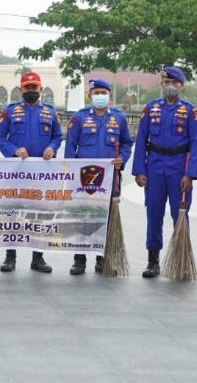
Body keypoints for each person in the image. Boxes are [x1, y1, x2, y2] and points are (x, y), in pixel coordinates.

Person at [131, 66, 197, 278]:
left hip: (179, 166)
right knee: (153, 213)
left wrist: (190, 174)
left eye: (174, 82)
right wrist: (139, 170)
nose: (169, 86)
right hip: (154, 166)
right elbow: (141, 140)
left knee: (179, 214)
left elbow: (196, 144)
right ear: (161, 84)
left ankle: (181, 259)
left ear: (181, 85)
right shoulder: (151, 109)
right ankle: (153, 260)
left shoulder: (190, 111)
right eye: (166, 82)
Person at [0, 72, 61, 273]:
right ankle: (10, 257)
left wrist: (52, 147)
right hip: (17, 171)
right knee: (13, 212)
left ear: (41, 89)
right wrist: (13, 150)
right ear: (21, 89)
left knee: (39, 213)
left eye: (34, 87)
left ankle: (38, 257)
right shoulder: (10, 111)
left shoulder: (50, 112)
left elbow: (58, 137)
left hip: (42, 172)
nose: (31, 91)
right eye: (27, 87)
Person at [65, 78, 133, 275]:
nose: (100, 96)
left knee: (107, 218)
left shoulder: (119, 118)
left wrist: (122, 158)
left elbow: (127, 143)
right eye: (97, 93)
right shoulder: (79, 117)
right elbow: (70, 146)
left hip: (109, 176)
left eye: (104, 93)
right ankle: (79, 259)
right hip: (83, 178)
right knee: (83, 216)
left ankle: (102, 259)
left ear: (110, 96)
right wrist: (69, 172)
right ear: (90, 95)